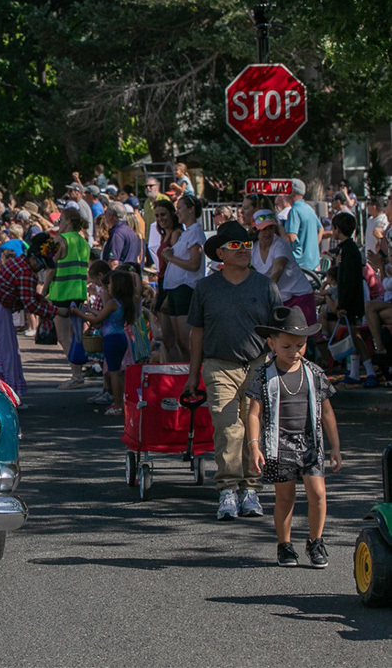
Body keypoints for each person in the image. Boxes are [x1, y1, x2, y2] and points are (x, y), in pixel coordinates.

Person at [185, 220, 282, 521]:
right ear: (221, 254)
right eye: (236, 246)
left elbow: (279, 332)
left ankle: (250, 488)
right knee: (228, 427)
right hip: (218, 366)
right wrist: (192, 375)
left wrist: (281, 368)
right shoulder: (205, 287)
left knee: (253, 430)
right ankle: (228, 488)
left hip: (258, 365)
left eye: (247, 245)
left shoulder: (266, 285)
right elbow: (196, 333)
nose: (244, 250)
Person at [245, 306, 342, 568]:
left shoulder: (314, 373)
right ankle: (285, 546)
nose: (294, 352)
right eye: (286, 346)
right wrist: (254, 446)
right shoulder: (264, 375)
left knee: (318, 493)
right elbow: (254, 413)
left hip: (311, 443)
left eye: (299, 346)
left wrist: (335, 446)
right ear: (271, 343)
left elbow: (327, 411)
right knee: (285, 497)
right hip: (279, 445)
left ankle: (316, 541)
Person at [0, 233, 58, 406]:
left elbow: (29, 297)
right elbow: (30, 304)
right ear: (34, 258)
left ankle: (5, 394)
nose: (41, 269)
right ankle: (5, 396)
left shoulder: (20, 262)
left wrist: (46, 304)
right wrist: (53, 312)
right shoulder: (25, 272)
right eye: (41, 265)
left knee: (5, 350)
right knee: (2, 351)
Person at [66, 269, 137, 416]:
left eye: (110, 284)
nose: (107, 287)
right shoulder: (123, 302)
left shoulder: (112, 303)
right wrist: (90, 310)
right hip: (120, 337)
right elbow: (104, 316)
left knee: (114, 373)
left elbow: (97, 320)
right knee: (117, 372)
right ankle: (121, 403)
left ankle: (118, 405)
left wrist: (79, 313)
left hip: (111, 339)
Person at [326, 212, 376, 387]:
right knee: (352, 336)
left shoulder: (348, 251)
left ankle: (369, 371)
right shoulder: (349, 249)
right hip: (353, 301)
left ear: (338, 229)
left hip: (351, 303)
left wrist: (343, 304)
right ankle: (354, 371)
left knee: (355, 335)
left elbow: (347, 281)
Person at [158, 194, 205, 362]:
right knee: (179, 341)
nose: (176, 213)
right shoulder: (186, 233)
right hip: (175, 290)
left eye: (179, 209)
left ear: (191, 209)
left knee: (188, 341)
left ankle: (195, 377)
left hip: (186, 289)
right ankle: (187, 377)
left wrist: (170, 258)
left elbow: (194, 264)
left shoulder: (195, 232)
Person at [50, 208, 91, 388]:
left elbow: (51, 267)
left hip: (61, 293)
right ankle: (78, 374)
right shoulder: (84, 242)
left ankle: (76, 376)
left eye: (61, 220)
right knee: (77, 336)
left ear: (67, 221)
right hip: (78, 293)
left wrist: (44, 291)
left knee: (64, 337)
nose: (59, 224)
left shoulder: (61, 240)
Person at [283, 180, 322, 272]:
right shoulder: (309, 209)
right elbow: (321, 229)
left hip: (300, 264)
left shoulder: (294, 211)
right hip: (313, 263)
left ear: (293, 192)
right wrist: (313, 247)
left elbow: (291, 236)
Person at [101, 202, 142, 269]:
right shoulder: (131, 231)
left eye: (106, 212)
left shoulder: (117, 233)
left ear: (111, 216)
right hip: (131, 273)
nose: (104, 215)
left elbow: (114, 262)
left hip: (120, 275)